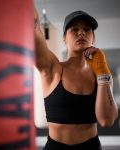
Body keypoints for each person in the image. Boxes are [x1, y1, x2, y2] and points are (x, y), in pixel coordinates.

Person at [34, 9, 118, 150]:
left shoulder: (102, 76)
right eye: (74, 29)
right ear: (64, 38)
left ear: (93, 38)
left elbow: (106, 121)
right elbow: (33, 32)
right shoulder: (52, 68)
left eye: (87, 29)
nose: (81, 33)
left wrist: (103, 71)